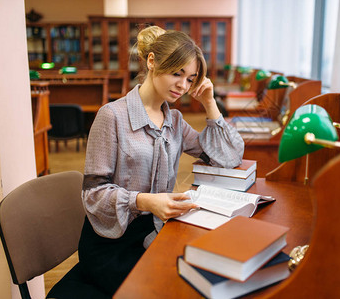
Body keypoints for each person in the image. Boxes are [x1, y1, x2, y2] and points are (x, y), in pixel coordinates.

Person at [77, 25, 244, 297]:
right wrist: (144, 201)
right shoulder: (112, 116)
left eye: (190, 79)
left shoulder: (175, 121)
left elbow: (228, 157)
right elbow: (92, 195)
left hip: (156, 232)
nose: (183, 86)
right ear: (152, 62)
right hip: (112, 244)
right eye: (177, 73)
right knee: (173, 287)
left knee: (204, 278)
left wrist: (210, 104)